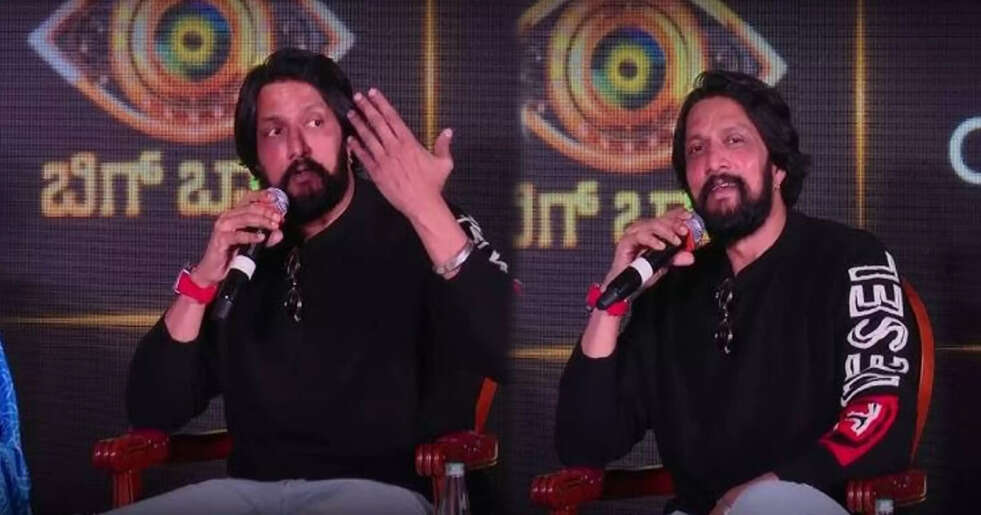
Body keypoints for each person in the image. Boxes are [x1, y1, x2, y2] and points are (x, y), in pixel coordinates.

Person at [115, 48, 510, 514]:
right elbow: (153, 408)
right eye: (274, 131)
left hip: (385, 494)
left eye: (316, 123)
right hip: (253, 496)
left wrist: (428, 208)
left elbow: (502, 347)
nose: (298, 148)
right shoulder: (248, 251)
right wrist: (203, 280)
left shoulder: (423, 224)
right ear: (255, 157)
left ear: (347, 138)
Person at [555, 70, 920, 515]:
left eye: (734, 140)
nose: (714, 162)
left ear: (778, 166)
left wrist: (764, 491)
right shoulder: (672, 286)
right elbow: (583, 444)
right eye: (696, 149)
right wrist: (612, 301)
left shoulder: (851, 258)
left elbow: (882, 414)